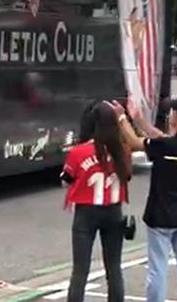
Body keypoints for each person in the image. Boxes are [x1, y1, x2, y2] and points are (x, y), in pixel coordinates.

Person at [118, 96, 177, 302]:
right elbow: (162, 140)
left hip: (162, 216)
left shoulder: (166, 146)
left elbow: (134, 142)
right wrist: (140, 121)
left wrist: (121, 118)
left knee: (157, 269)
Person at [62, 100, 132, 302]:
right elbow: (127, 176)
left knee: (80, 271)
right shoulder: (121, 150)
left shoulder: (79, 152)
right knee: (114, 268)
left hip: (86, 213)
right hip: (113, 211)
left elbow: (67, 180)